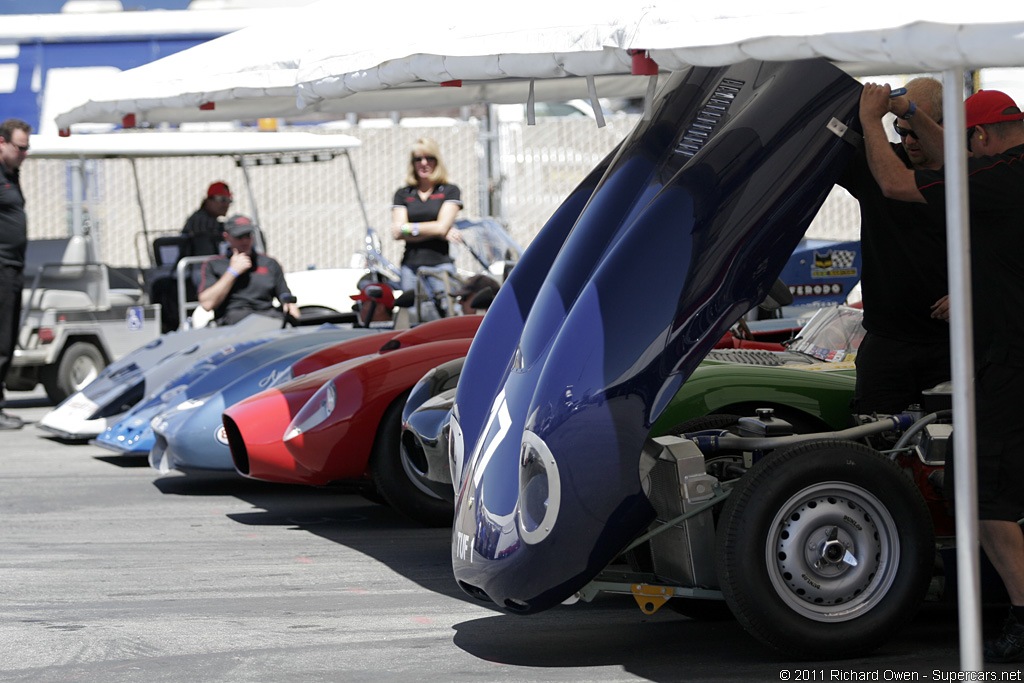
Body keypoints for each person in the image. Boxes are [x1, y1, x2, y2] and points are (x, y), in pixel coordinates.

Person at [861, 84, 1024, 663]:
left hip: (1010, 361)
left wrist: (869, 121)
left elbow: (894, 183)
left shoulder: (1000, 181)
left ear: (980, 137)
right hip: (994, 356)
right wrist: (906, 112)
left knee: (981, 494)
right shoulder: (1008, 169)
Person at [838, 77, 951, 416]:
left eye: (917, 128)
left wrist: (975, 289)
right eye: (901, 131)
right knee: (876, 450)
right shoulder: (878, 162)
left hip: (953, 344)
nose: (910, 141)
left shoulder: (975, 175)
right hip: (887, 344)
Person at [391, 138, 463, 300]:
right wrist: (438, 231)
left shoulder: (450, 190)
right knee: (411, 314)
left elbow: (440, 227)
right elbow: (397, 232)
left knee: (445, 313)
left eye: (429, 158)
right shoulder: (403, 193)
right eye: (418, 159)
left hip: (440, 265)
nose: (424, 163)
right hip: (410, 267)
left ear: (437, 161)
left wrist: (409, 228)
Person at [197, 215, 299, 326]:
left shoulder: (269, 263)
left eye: (248, 236)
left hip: (267, 317)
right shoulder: (214, 264)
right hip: (234, 321)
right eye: (239, 237)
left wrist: (292, 312)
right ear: (227, 237)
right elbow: (207, 304)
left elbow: (286, 298)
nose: (245, 241)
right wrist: (232, 272)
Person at [0, 118, 30, 429]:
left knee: (6, 341)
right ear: (2, 142)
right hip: (1, 267)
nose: (24, 153)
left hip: (13, 267)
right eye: (20, 147)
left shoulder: (12, 173)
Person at [182, 181, 233, 256]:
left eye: (229, 200)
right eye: (222, 200)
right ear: (209, 200)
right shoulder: (200, 220)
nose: (226, 204)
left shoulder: (208, 219)